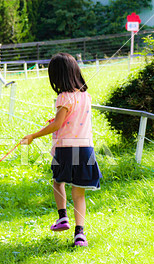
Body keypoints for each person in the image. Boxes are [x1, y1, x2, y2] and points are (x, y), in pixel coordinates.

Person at [21, 52, 102, 247]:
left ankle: (62, 217)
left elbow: (57, 125)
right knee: (79, 193)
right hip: (85, 149)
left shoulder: (64, 97)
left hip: (65, 149)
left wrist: (33, 136)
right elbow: (73, 120)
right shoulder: (86, 96)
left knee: (58, 182)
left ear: (57, 76)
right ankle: (80, 234)